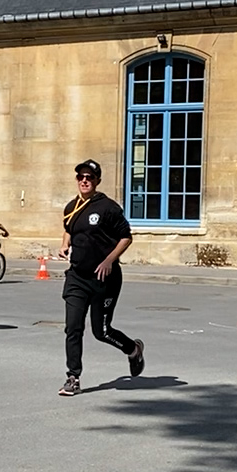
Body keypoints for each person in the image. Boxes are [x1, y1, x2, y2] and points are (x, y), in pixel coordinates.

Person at [55, 159, 143, 396]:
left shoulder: (108, 208)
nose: (85, 181)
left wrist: (108, 261)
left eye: (90, 177)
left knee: (101, 331)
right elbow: (68, 230)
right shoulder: (71, 207)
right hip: (77, 277)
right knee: (73, 327)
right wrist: (64, 245)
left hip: (105, 278)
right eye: (81, 177)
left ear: (97, 181)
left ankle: (133, 349)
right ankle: (73, 377)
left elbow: (126, 237)